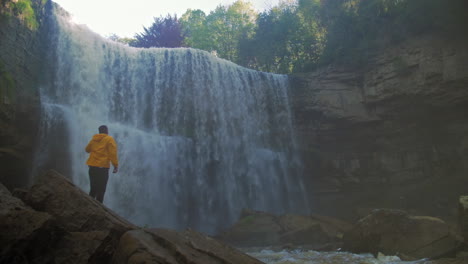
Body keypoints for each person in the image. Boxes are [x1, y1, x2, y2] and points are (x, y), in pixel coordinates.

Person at [85, 125, 119, 203]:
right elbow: (112, 153)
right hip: (102, 168)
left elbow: (87, 150)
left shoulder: (94, 139)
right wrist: (115, 165)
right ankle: (98, 209)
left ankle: (88, 206)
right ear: (107, 131)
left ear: (99, 131)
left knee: (93, 189)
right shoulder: (109, 139)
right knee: (101, 190)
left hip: (92, 167)